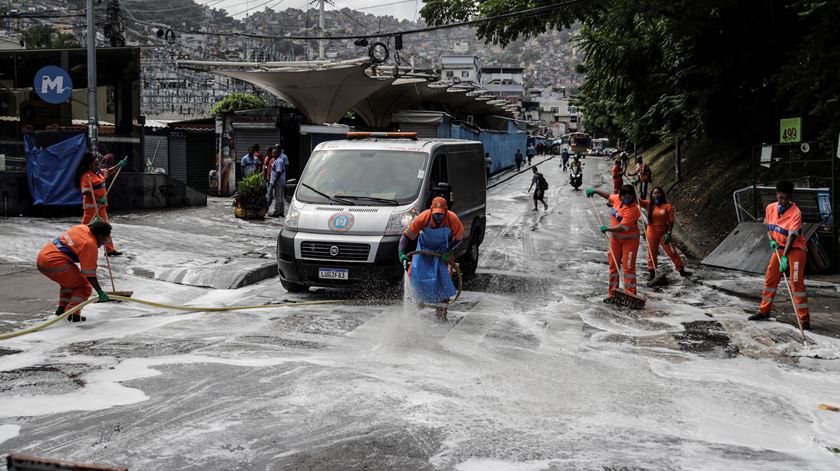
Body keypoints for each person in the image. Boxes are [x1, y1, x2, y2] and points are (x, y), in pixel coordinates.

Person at [749, 180, 810, 330]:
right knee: (770, 278)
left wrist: (784, 257)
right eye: (781, 197)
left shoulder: (796, 213)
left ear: (790, 197)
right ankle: (764, 311)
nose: (783, 201)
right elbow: (768, 228)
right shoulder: (770, 208)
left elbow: (792, 237)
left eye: (787, 198)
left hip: (795, 249)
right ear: (777, 194)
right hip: (779, 248)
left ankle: (804, 319)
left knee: (796, 282)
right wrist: (772, 241)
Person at [398, 197, 464, 318]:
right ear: (431, 210)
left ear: (446, 211)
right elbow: (406, 236)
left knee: (443, 278)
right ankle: (416, 307)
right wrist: (401, 252)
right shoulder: (423, 218)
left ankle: (441, 313)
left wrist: (449, 250)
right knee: (414, 275)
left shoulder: (452, 219)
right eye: (436, 214)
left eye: (441, 215)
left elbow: (459, 238)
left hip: (443, 251)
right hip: (423, 249)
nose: (438, 218)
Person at [36, 221, 113, 322]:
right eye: (105, 238)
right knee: (84, 287)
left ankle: (61, 310)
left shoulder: (81, 228)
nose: (105, 242)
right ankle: (73, 315)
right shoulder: (90, 244)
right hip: (54, 262)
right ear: (99, 235)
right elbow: (89, 274)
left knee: (69, 284)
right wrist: (100, 292)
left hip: (43, 257)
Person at [586, 184, 642, 302]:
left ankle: (630, 295)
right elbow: (609, 196)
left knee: (628, 267)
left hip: (630, 240)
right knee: (613, 265)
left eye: (629, 196)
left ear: (633, 196)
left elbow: (622, 228)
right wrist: (595, 191)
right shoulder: (617, 198)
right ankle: (612, 294)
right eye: (624, 195)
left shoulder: (633, 210)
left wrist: (607, 229)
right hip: (615, 239)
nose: (627, 198)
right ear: (620, 196)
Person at [76, 151, 126, 257]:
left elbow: (109, 171)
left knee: (105, 227)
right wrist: (98, 199)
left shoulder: (98, 173)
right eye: (96, 164)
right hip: (92, 208)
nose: (98, 166)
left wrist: (119, 165)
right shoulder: (86, 176)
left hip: (101, 207)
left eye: (98, 164)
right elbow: (86, 191)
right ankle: (78, 247)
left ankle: (109, 250)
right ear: (89, 165)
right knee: (86, 228)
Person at [638, 187, 690, 280]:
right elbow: (638, 201)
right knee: (652, 252)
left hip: (664, 233)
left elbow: (671, 221)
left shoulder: (667, 206)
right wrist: (635, 191)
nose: (656, 195)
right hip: (651, 232)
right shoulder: (649, 204)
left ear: (661, 194)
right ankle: (652, 272)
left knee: (672, 251)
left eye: (658, 193)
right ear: (652, 195)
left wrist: (669, 233)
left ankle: (681, 270)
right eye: (654, 193)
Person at [267, 147, 290, 217]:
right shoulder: (278, 160)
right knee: (281, 197)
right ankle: (281, 211)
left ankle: (276, 212)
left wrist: (274, 181)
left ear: (278, 153)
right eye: (272, 152)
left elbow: (278, 172)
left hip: (278, 182)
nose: (273, 154)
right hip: (281, 181)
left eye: (274, 153)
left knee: (277, 197)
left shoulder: (278, 161)